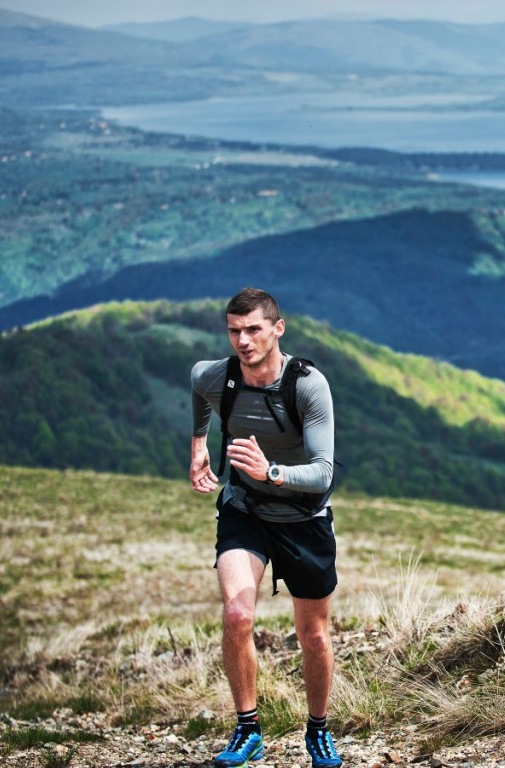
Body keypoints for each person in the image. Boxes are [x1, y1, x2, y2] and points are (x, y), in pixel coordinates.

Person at [189, 287, 342, 768]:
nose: (243, 340)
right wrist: (198, 443)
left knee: (313, 635)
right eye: (234, 330)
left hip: (304, 518)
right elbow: (197, 388)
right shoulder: (217, 377)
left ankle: (317, 729)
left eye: (253, 329)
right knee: (237, 615)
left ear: (278, 328)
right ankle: (248, 729)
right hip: (245, 512)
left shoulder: (307, 384)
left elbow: (324, 471)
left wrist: (269, 471)